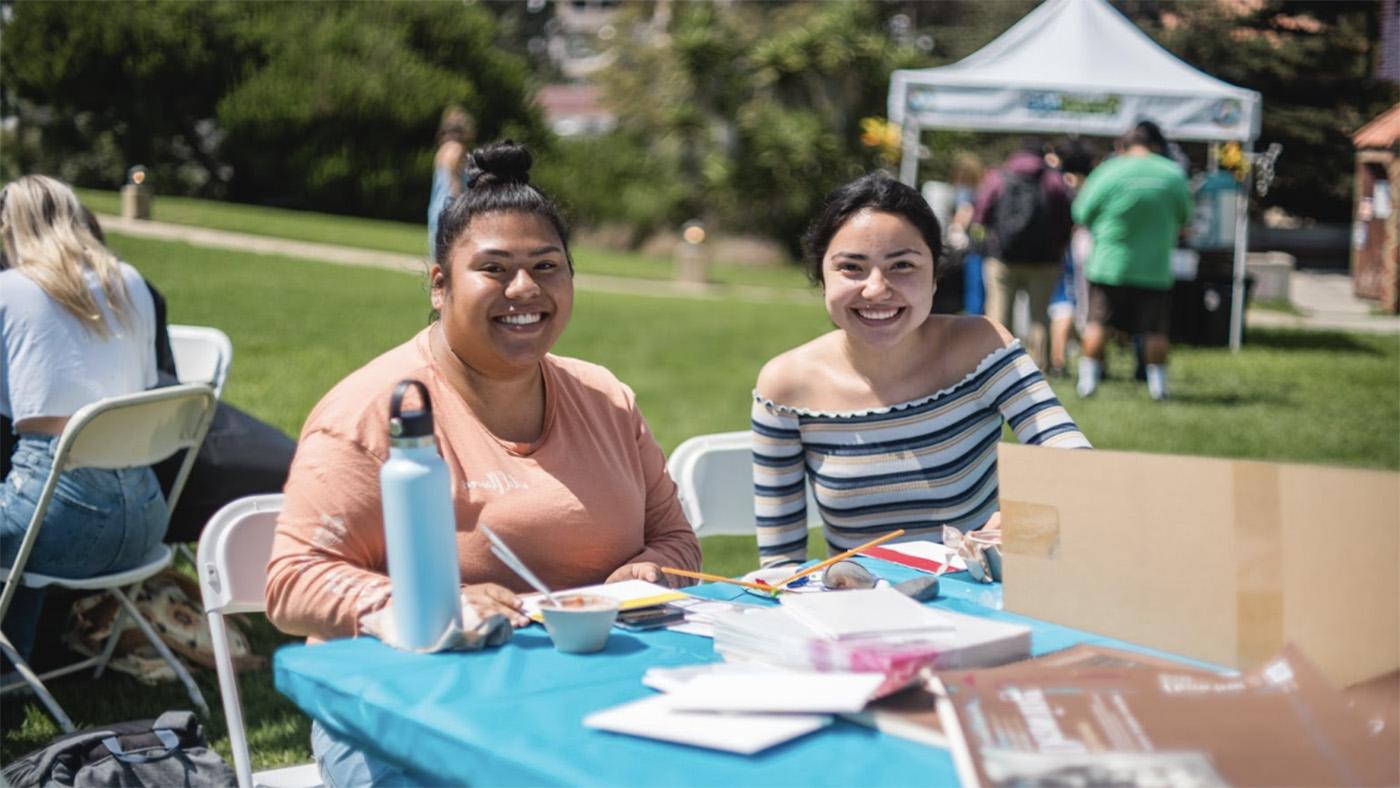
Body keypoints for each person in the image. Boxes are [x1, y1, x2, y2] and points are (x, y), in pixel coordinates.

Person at [266, 141, 702, 786]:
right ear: (439, 285)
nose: (525, 289)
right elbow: (292, 584)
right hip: (408, 711)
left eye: (547, 266)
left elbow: (676, 541)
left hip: (584, 693)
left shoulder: (606, 399)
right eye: (493, 269)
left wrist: (645, 572)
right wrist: (433, 604)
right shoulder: (376, 410)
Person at [751, 172, 1091, 568]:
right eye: (851, 267)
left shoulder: (981, 346)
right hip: (859, 611)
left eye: (902, 266)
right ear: (822, 277)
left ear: (934, 277)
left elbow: (1076, 464)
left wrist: (1026, 519)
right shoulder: (786, 387)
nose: (876, 289)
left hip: (982, 601)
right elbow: (781, 567)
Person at [0, 175, 165, 661]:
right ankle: (16, 670)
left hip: (58, 526)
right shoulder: (130, 281)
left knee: (25, 509)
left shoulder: (10, 291)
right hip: (145, 523)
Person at [1072, 121, 1192, 401]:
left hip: (1108, 265)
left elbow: (1081, 213)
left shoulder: (1108, 171)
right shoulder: (1173, 174)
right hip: (1155, 266)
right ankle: (1158, 388)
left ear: (1124, 145)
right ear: (1156, 146)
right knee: (1155, 330)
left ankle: (1087, 384)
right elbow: (1185, 218)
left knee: (1097, 323)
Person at [972, 139, 1073, 368]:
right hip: (1045, 260)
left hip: (1003, 258)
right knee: (1039, 316)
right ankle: (1040, 366)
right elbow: (1066, 218)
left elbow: (981, 214)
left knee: (999, 313)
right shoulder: (1054, 179)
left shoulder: (998, 176)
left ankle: (998, 364)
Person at [426, 105, 476, 258]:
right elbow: (454, 183)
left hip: (438, 207)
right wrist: (461, 207)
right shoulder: (457, 149)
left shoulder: (443, 149)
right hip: (450, 207)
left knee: (438, 254)